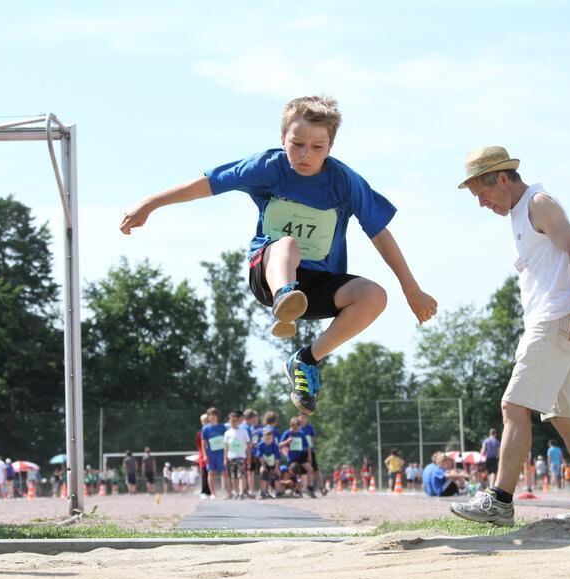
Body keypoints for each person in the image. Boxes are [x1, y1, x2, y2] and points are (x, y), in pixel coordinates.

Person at [120, 96, 437, 416]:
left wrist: (411, 289)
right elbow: (208, 184)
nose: (305, 155)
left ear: (331, 146)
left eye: (317, 147)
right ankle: (285, 297)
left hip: (318, 282)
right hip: (270, 271)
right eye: (297, 144)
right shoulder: (268, 168)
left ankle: (307, 360)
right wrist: (150, 204)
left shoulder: (344, 182)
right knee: (287, 245)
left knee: (374, 296)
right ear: (282, 138)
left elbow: (380, 233)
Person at [452, 147, 570, 526]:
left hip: (557, 319)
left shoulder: (538, 204)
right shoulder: (518, 213)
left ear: (501, 177)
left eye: (482, 193)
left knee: (513, 407)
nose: (481, 203)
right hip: (552, 320)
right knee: (566, 420)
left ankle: (499, 501)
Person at [280, 416, 315, 497]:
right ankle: (294, 490)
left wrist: (309, 456)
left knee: (310, 469)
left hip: (301, 455)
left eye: (298, 427)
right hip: (292, 457)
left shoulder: (301, 433)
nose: (297, 429)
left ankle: (310, 487)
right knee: (295, 473)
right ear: (291, 426)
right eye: (295, 428)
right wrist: (287, 441)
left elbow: (308, 446)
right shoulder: (287, 433)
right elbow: (280, 444)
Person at [200, 407, 230, 499]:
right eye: (210, 415)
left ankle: (229, 492)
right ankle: (213, 493)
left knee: (225, 472)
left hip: (221, 453)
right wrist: (205, 455)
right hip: (211, 454)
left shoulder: (223, 427)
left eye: (214, 415)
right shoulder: (205, 429)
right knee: (211, 473)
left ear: (217, 416)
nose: (212, 417)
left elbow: (226, 441)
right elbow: (203, 443)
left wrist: (227, 454)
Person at [223, 410, 250, 499]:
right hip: (231, 457)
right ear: (229, 421)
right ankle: (236, 492)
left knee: (241, 475)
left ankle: (242, 492)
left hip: (241, 457)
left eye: (235, 421)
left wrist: (248, 456)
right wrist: (225, 458)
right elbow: (226, 446)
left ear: (238, 421)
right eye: (232, 421)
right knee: (233, 476)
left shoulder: (243, 431)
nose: (234, 423)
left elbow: (248, 444)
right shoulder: (227, 433)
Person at [255, 427, 282, 498]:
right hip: (264, 462)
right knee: (264, 473)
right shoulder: (260, 445)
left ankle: (278, 492)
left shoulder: (275, 446)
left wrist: (276, 468)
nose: (268, 440)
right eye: (266, 438)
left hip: (273, 462)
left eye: (270, 438)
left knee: (277, 474)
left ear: (273, 438)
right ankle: (263, 492)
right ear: (263, 438)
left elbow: (277, 457)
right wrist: (263, 466)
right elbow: (259, 457)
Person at [195, 413, 211, 498]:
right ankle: (204, 491)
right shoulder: (199, 433)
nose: (206, 423)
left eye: (207, 421)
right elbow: (199, 445)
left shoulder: (211, 431)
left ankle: (211, 491)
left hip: (212, 454)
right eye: (204, 421)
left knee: (211, 473)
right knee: (204, 473)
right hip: (203, 455)